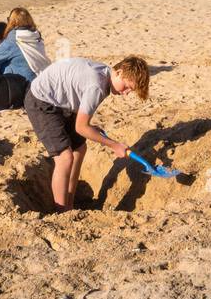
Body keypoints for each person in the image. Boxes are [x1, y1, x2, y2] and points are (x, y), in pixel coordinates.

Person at [23, 55, 151, 211]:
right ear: (119, 72)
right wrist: (114, 145)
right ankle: (61, 211)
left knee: (79, 149)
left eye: (130, 90)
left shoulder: (104, 74)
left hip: (62, 103)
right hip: (41, 101)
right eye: (126, 87)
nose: (126, 93)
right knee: (65, 158)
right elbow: (81, 128)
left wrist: (89, 127)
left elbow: (80, 113)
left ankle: (69, 204)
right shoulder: (97, 86)